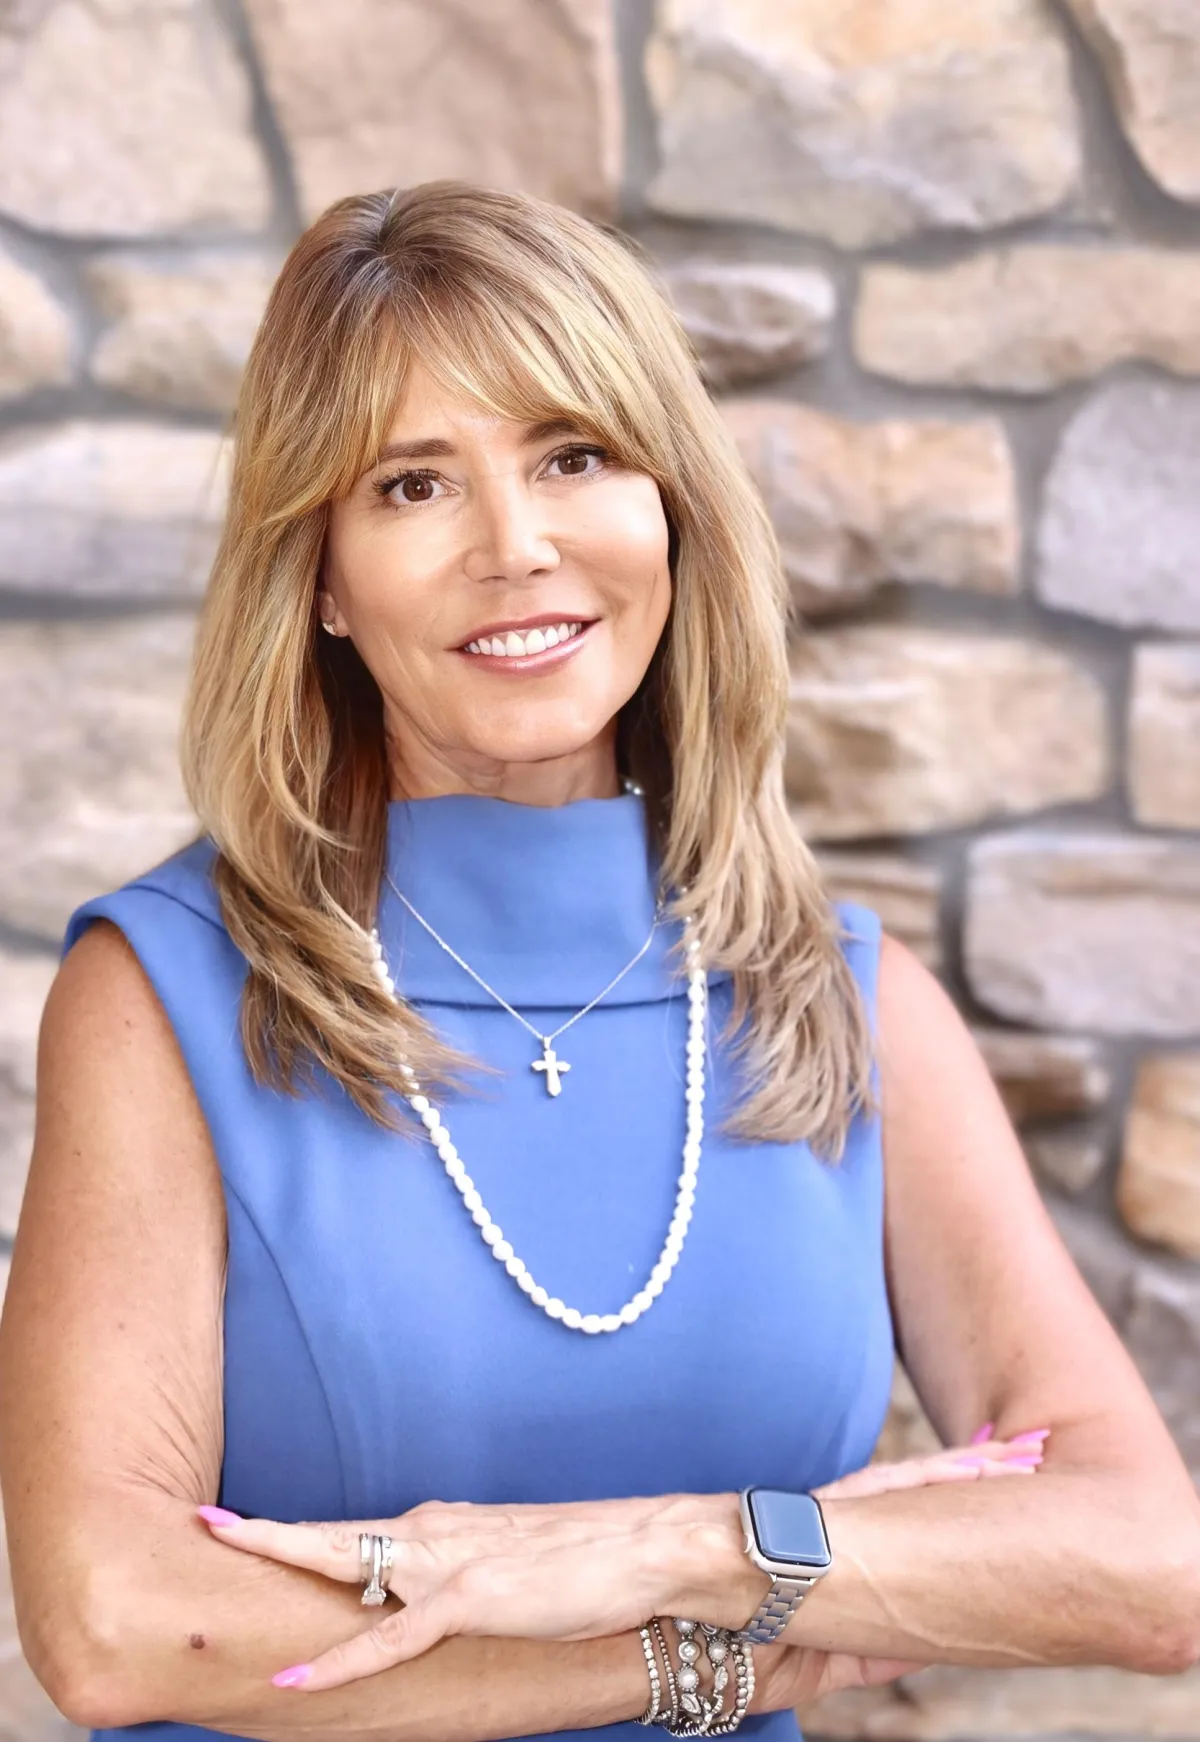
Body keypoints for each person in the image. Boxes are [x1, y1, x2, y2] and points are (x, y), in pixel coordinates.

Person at [2, 180, 1197, 1742]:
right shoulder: (168, 994)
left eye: (573, 455)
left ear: (669, 510)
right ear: (321, 579)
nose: (518, 546)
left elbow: (1150, 1560)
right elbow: (113, 1621)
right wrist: (707, 1652)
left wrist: (675, 1549)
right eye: (413, 485)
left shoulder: (838, 995)